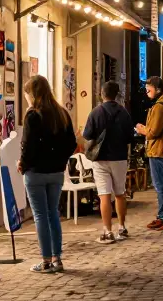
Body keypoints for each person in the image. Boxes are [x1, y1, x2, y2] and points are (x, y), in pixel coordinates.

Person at [19, 75, 77, 273]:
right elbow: (72, 143)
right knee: (53, 213)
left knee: (40, 216)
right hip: (56, 172)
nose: (26, 98)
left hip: (35, 172)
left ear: (33, 94)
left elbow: (28, 145)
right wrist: (60, 160)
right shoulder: (62, 113)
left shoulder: (33, 115)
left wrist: (23, 164)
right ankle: (57, 258)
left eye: (27, 94)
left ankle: (45, 261)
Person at [83, 80, 135, 244]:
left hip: (100, 159)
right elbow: (129, 138)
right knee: (120, 194)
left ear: (102, 94)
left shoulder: (95, 112)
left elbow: (88, 135)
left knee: (104, 196)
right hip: (119, 158)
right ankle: (122, 227)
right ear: (117, 94)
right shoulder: (124, 113)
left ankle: (107, 231)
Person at [136, 76, 163, 230]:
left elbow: (153, 131)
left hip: (161, 151)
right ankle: (162, 216)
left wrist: (142, 129)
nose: (147, 89)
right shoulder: (162, 105)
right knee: (159, 185)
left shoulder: (160, 107)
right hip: (158, 151)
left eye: (149, 87)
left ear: (158, 89)